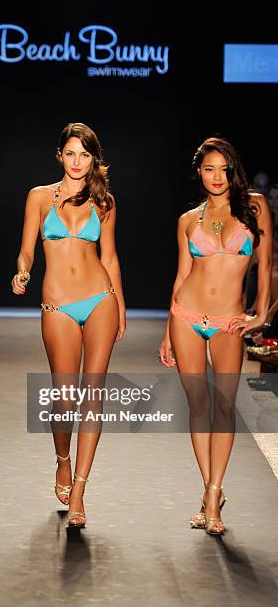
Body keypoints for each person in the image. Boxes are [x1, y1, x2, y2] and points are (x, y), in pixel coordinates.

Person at [11, 122, 126, 528]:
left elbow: (109, 258)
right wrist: (21, 272)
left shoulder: (104, 201)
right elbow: (26, 249)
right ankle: (63, 460)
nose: (78, 162)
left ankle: (79, 490)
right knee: (64, 397)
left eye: (86, 154)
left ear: (94, 159)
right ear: (59, 154)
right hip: (58, 303)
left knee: (93, 397)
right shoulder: (39, 197)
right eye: (71, 153)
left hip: (101, 300)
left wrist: (121, 307)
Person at [159, 137, 272, 535]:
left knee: (224, 408)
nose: (217, 176)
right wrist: (167, 334)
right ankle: (210, 493)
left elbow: (266, 262)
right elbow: (181, 276)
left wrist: (259, 316)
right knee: (198, 405)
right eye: (209, 168)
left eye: (224, 168)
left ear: (233, 169)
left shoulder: (255, 207)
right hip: (186, 316)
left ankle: (213, 491)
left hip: (228, 321)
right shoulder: (188, 220)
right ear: (199, 172)